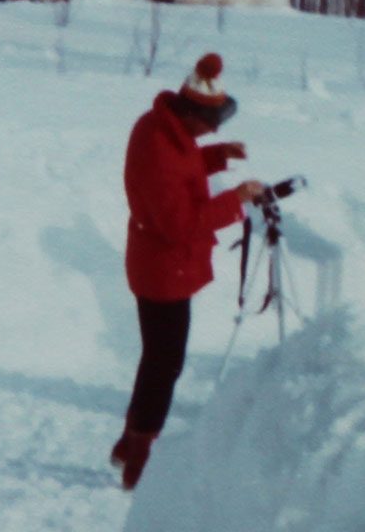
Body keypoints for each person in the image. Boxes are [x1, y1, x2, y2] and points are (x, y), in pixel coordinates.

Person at [110, 53, 265, 490]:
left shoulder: (164, 128)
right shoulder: (161, 143)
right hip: (162, 270)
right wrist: (236, 200)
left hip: (163, 267)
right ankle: (139, 457)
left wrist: (217, 156)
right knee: (164, 363)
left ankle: (131, 441)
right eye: (211, 125)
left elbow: (182, 167)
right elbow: (179, 221)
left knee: (159, 359)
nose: (213, 131)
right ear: (191, 111)